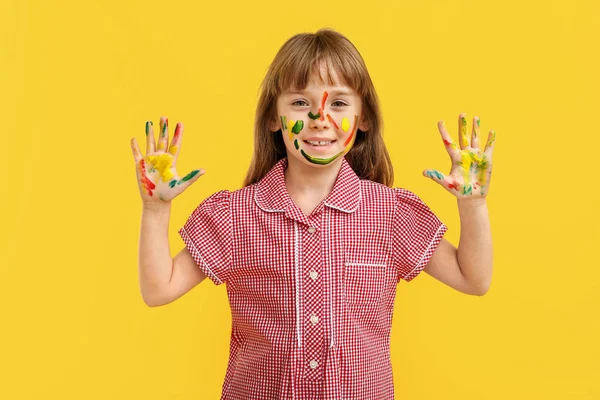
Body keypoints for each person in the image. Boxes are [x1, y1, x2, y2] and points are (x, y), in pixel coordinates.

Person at [130, 28, 495, 400]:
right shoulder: (235, 215)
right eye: (301, 103)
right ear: (274, 117)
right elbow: (159, 289)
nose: (320, 118)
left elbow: (473, 278)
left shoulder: (390, 213)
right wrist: (156, 209)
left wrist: (473, 204)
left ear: (363, 117)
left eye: (338, 103)